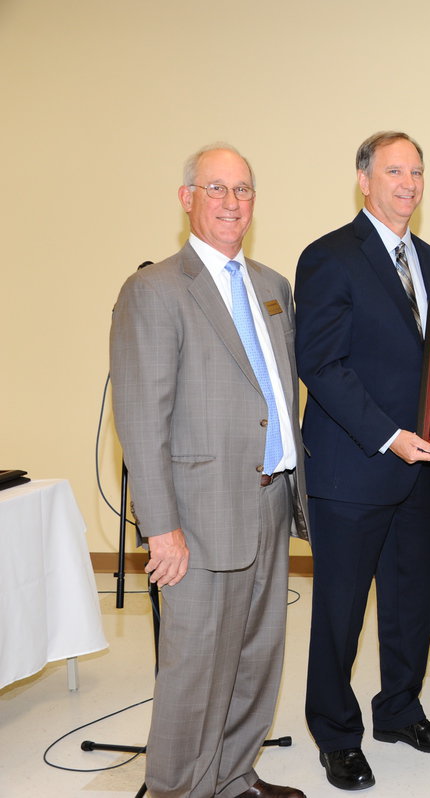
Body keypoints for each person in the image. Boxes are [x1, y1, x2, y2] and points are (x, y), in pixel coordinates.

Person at [110, 144, 307, 798]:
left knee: (255, 659)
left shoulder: (274, 287)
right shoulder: (155, 290)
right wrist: (160, 529)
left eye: (243, 190)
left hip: (268, 502)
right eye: (216, 189)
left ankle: (232, 778)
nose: (231, 202)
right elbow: (141, 416)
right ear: (187, 197)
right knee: (193, 674)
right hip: (196, 515)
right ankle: (175, 790)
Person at [295, 131, 430, 793]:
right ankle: (336, 735)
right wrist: (389, 435)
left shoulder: (429, 259)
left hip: (417, 466)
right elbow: (322, 365)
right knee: (340, 609)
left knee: (410, 599)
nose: (409, 184)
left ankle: (398, 710)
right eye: (396, 171)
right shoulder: (330, 256)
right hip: (355, 466)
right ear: (364, 179)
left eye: (417, 172)